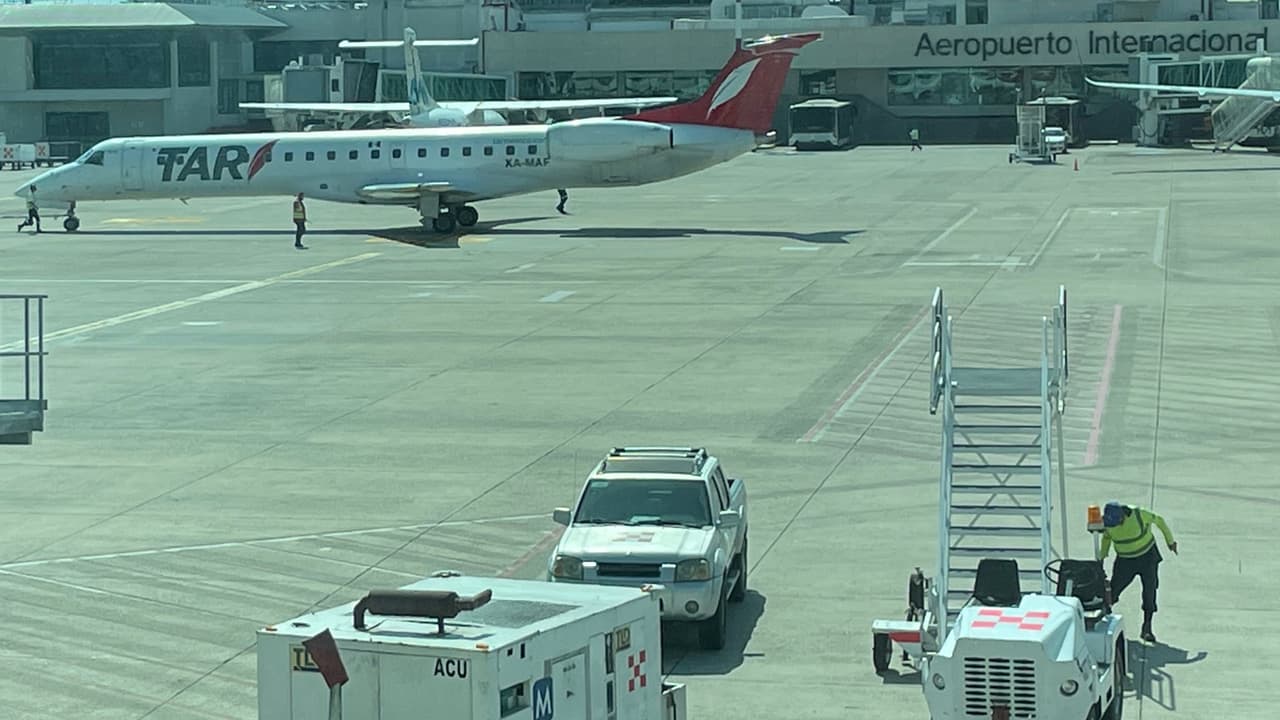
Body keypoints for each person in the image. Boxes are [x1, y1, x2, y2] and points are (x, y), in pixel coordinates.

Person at [1098, 501, 1177, 642]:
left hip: (1147, 557)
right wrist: (1101, 559)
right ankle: (1102, 618)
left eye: (1117, 522)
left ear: (1123, 516)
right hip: (1125, 561)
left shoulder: (1139, 514)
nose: (1115, 526)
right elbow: (1106, 538)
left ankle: (1147, 627)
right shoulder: (1109, 524)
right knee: (1113, 590)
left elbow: (1159, 521)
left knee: (1150, 591)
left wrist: (1170, 541)